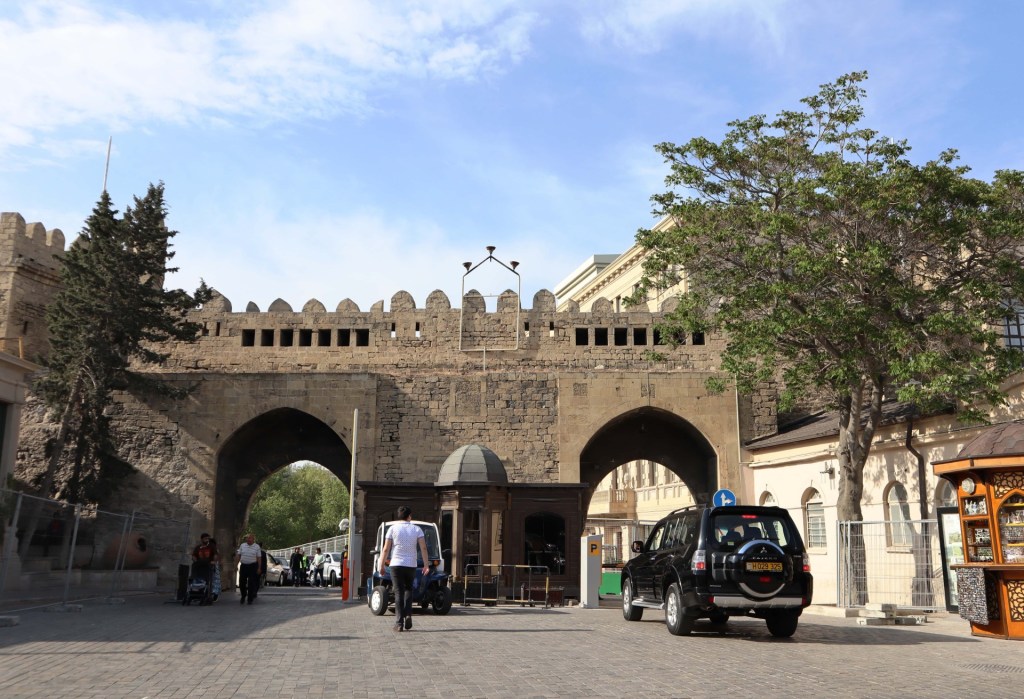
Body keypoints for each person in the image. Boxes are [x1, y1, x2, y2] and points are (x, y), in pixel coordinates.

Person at [379, 505, 429, 632]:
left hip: (396, 564)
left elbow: (386, 549)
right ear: (409, 516)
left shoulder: (392, 529)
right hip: (411, 564)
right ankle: (408, 615)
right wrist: (426, 565)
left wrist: (381, 565)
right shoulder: (417, 529)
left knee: (398, 592)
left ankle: (399, 623)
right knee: (408, 590)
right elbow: (423, 548)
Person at [235, 533, 262, 605]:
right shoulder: (242, 545)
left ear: (253, 539)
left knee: (251, 582)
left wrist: (259, 568)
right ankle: (243, 595)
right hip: (244, 566)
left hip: (252, 566)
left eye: (250, 538)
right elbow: (238, 555)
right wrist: (236, 565)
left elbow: (259, 558)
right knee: (242, 582)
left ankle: (250, 598)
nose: (248, 539)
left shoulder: (257, 547)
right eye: (247, 538)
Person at [191, 533, 217, 605]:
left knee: (208, 581)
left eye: (208, 538)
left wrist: (214, 561)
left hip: (208, 565)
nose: (207, 540)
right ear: (202, 539)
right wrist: (195, 560)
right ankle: (196, 593)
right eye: (205, 538)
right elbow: (194, 555)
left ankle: (207, 596)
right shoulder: (198, 547)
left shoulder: (211, 546)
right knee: (197, 579)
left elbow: (215, 554)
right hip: (199, 565)